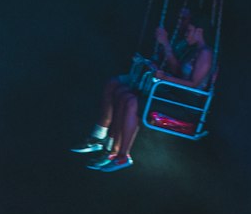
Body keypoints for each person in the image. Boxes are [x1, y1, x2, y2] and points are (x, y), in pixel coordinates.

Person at [73, 13, 214, 173]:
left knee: (132, 102)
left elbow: (194, 84)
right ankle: (112, 149)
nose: (186, 33)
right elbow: (179, 73)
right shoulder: (192, 51)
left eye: (189, 30)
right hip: (175, 97)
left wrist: (165, 77)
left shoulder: (205, 53)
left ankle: (123, 156)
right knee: (124, 94)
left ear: (199, 31)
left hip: (185, 106)